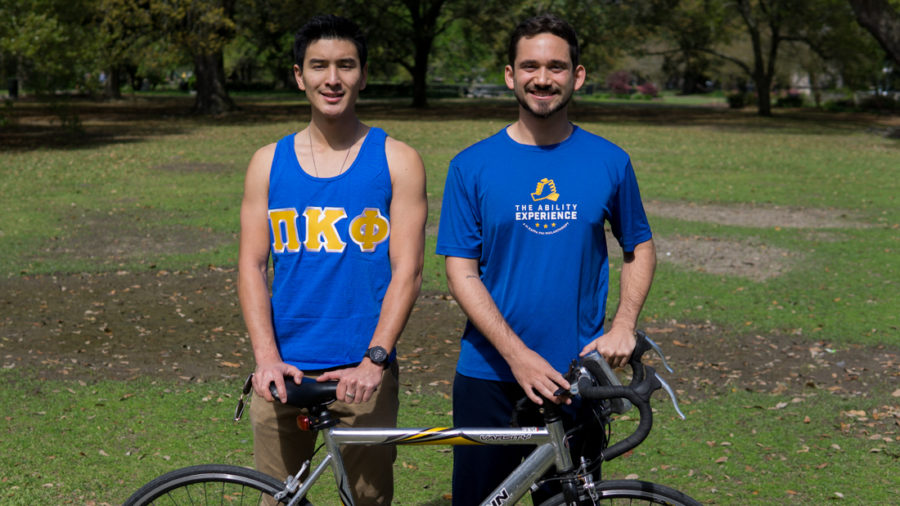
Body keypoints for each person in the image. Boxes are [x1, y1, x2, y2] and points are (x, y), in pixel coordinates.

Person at [435, 13, 657, 505]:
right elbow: (461, 270)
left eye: (556, 66)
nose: (542, 78)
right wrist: (518, 356)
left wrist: (625, 324)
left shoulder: (609, 160)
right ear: (510, 75)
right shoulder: (471, 165)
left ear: (577, 75)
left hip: (575, 376)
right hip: (488, 376)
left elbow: (638, 245)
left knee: (570, 502)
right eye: (529, 66)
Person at [238, 14, 426, 505]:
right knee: (278, 499)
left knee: (367, 501)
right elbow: (253, 267)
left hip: (361, 374)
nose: (332, 79)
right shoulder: (267, 162)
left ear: (363, 74)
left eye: (346, 65)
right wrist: (266, 360)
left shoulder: (397, 159)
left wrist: (375, 359)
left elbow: (408, 270)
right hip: (284, 373)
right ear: (299, 75)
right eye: (318, 66)